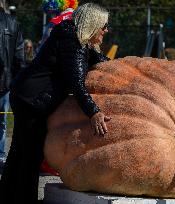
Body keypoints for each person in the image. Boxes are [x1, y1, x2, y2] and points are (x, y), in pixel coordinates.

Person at [0, 2, 111, 204]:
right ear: (93, 24)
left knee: (19, 151)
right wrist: (93, 112)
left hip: (26, 94)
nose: (106, 30)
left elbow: (99, 60)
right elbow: (76, 82)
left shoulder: (76, 39)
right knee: (30, 155)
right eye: (103, 26)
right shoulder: (73, 41)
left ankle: (8, 196)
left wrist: (123, 67)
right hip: (32, 100)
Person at [0, 0, 24, 165]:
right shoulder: (13, 23)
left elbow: (19, 56)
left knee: (2, 121)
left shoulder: (12, 23)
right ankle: (1, 155)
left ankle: (1, 155)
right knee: (2, 122)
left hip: (5, 82)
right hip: (6, 82)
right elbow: (19, 58)